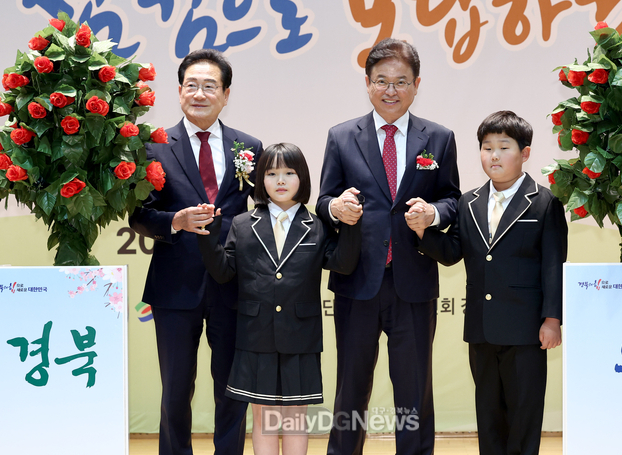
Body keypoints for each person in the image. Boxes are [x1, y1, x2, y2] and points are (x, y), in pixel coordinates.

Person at [315, 38, 460, 455]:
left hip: (412, 280)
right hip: (357, 279)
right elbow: (323, 200)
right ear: (367, 83)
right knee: (350, 390)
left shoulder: (439, 138)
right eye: (381, 81)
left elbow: (452, 199)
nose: (390, 90)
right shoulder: (342, 136)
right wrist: (336, 208)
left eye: (401, 81)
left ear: (417, 85)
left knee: (414, 390)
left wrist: (432, 215)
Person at [129, 49, 263, 455]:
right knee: (174, 391)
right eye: (192, 85)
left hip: (233, 284)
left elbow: (264, 213)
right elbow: (138, 215)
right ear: (179, 91)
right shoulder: (153, 147)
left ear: (226, 94)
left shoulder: (249, 146)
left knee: (232, 390)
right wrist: (176, 220)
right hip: (175, 286)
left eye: (210, 86)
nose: (200, 94)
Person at [411, 111, 568, 455]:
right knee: (489, 414)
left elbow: (553, 266)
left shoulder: (545, 202)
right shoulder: (468, 202)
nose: (494, 155)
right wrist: (423, 231)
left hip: (526, 328)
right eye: (487, 147)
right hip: (481, 328)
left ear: (525, 153)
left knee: (524, 414)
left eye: (504, 147)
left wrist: (552, 319)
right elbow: (452, 252)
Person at [196, 143, 362, 455]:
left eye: (289, 173)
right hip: (255, 334)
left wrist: (351, 225)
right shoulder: (243, 224)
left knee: (296, 419)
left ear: (303, 179)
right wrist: (208, 238)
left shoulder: (318, 224)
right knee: (264, 419)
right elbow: (223, 272)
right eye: (271, 173)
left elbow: (343, 263)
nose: (281, 180)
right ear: (260, 179)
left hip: (301, 335)